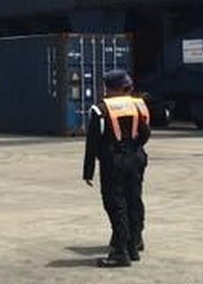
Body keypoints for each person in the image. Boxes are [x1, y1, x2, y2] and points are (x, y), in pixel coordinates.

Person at [82, 69, 151, 268]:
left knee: (116, 204)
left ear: (109, 88)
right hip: (136, 157)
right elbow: (145, 133)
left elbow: (92, 143)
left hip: (114, 161)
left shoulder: (101, 109)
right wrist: (134, 148)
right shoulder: (138, 104)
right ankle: (133, 244)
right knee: (133, 200)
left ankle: (120, 252)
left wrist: (88, 172)